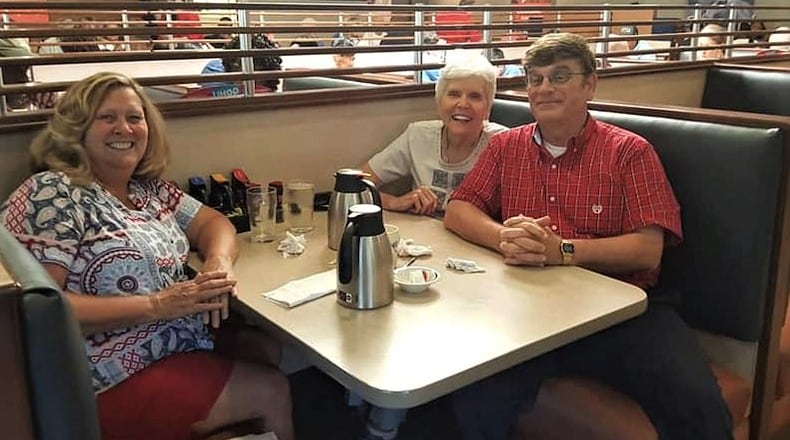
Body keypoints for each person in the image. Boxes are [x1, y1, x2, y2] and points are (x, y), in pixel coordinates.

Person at [445, 32, 733, 440]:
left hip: (624, 309)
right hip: (527, 307)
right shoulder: (505, 146)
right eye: (535, 78)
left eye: (559, 76)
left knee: (696, 403)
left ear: (590, 84)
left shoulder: (629, 152)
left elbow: (648, 251)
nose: (544, 88)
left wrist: (559, 250)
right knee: (472, 392)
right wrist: (503, 237)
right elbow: (459, 208)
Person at [0, 72, 294, 440]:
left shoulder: (149, 190)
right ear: (78, 129)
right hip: (101, 373)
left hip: (174, 338)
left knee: (265, 346)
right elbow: (42, 312)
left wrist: (218, 262)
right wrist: (158, 304)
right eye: (107, 118)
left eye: (134, 118)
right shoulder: (53, 192)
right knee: (271, 389)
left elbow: (214, 223)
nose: (124, 128)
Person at [360, 52, 507, 217]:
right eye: (454, 94)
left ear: (488, 107)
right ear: (439, 101)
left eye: (475, 96)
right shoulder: (418, 135)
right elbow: (358, 184)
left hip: (475, 239)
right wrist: (395, 202)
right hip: (423, 236)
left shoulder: (503, 143)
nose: (463, 104)